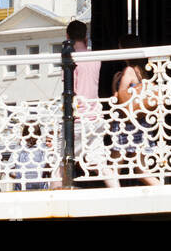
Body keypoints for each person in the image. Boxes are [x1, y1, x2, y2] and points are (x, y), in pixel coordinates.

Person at [67, 19, 118, 188]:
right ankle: (118, 194)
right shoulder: (95, 58)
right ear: (85, 36)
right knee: (101, 163)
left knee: (59, 162)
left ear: (68, 37)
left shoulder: (70, 60)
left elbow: (70, 91)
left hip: (78, 117)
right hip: (95, 115)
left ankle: (54, 198)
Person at [113, 50, 159, 186]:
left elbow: (120, 97)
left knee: (115, 166)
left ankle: (113, 199)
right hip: (142, 121)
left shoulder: (128, 70)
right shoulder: (142, 71)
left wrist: (114, 84)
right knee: (141, 169)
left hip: (127, 122)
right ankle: (165, 191)